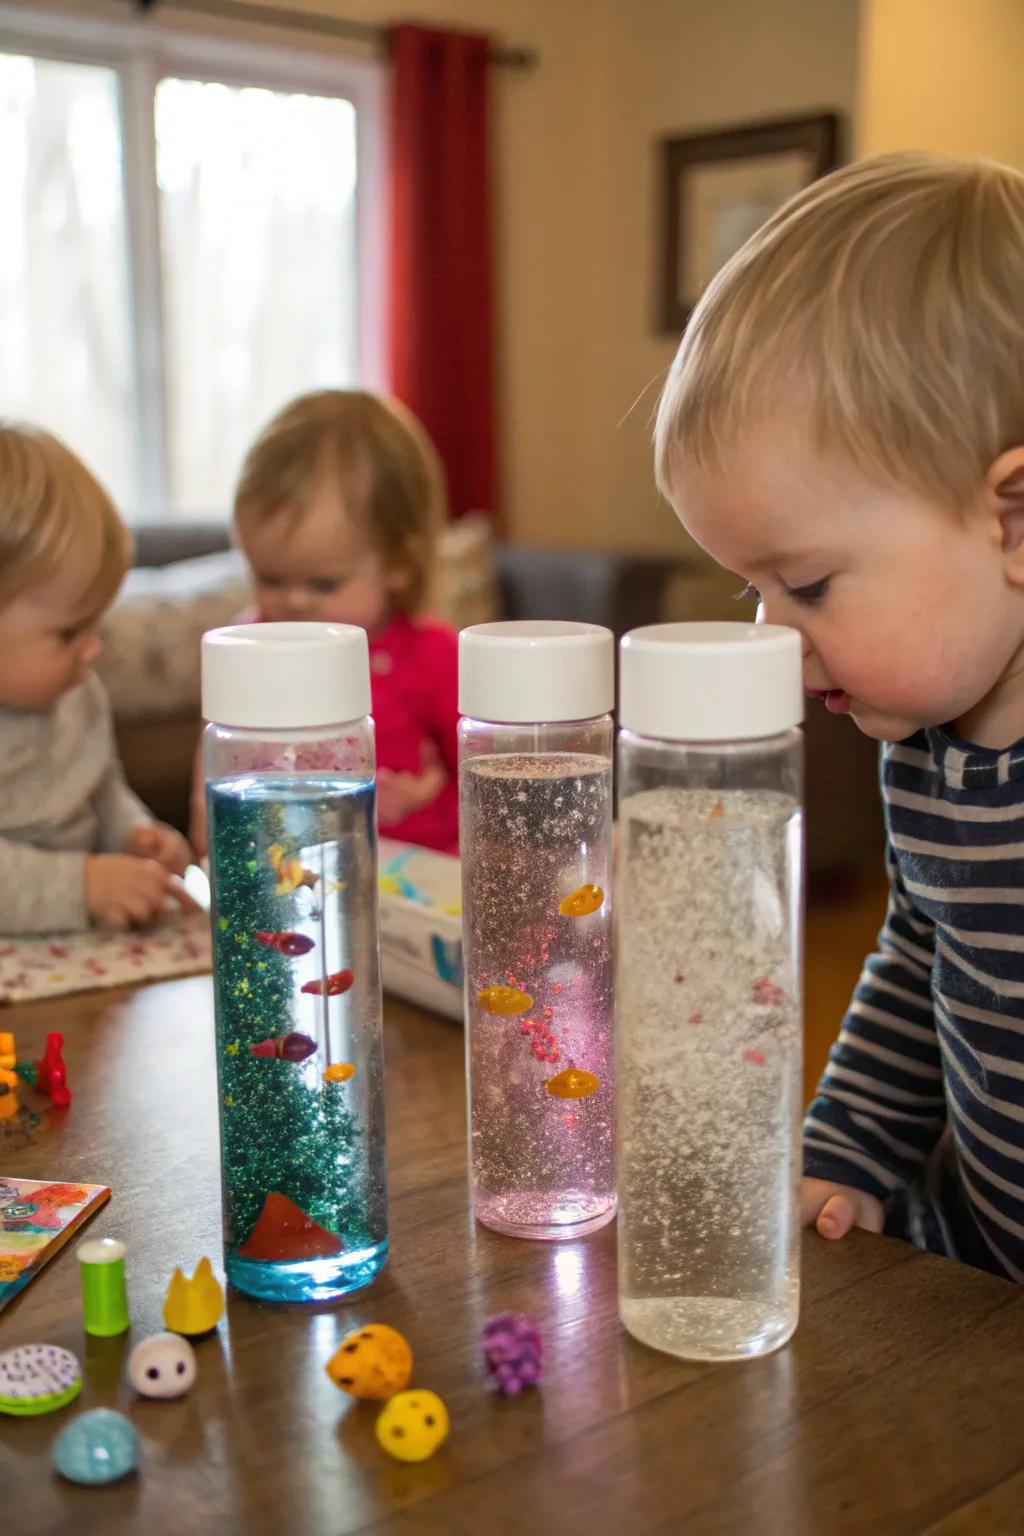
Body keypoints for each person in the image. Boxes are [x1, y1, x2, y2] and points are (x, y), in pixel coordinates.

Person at [653, 152, 1024, 1281]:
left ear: (1012, 522)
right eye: (749, 588)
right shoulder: (922, 751)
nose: (774, 631)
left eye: (807, 586)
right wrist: (845, 1155)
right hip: (976, 1253)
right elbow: (924, 954)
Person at [189, 390, 459, 856]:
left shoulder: (433, 655)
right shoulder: (248, 651)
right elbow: (211, 788)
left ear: (400, 560)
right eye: (270, 578)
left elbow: (489, 788)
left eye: (324, 584)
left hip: (424, 886)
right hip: (290, 884)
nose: (294, 601)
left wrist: (425, 804)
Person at [0, 426, 192, 932]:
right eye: (67, 633)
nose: (93, 648)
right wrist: (81, 885)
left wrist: (132, 833)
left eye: (96, 623)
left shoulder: (78, 692)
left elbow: (100, 786)